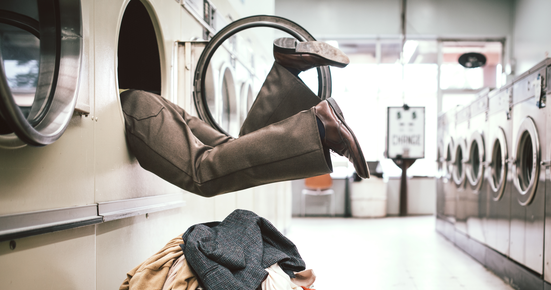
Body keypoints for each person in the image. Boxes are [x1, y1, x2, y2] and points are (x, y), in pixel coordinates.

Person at [120, 38, 369, 198]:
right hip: (152, 104)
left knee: (202, 172)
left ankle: (320, 127)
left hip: (135, 108)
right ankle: (287, 68)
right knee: (235, 149)